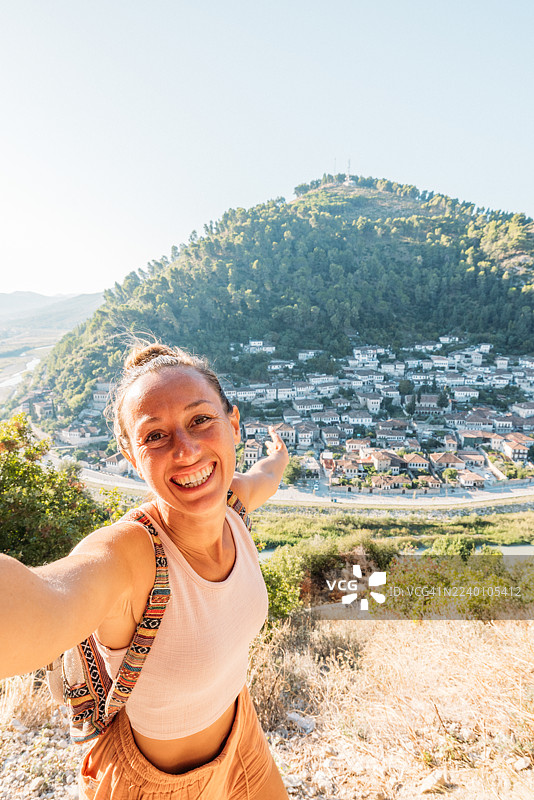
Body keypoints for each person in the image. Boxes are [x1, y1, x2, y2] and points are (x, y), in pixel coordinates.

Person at [0, 343, 291, 799]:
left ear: (233, 424)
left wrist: (279, 455)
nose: (187, 450)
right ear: (131, 455)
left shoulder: (233, 502)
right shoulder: (129, 555)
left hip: (243, 741)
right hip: (154, 785)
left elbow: (267, 476)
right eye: (155, 436)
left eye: (201, 420)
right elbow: (45, 601)